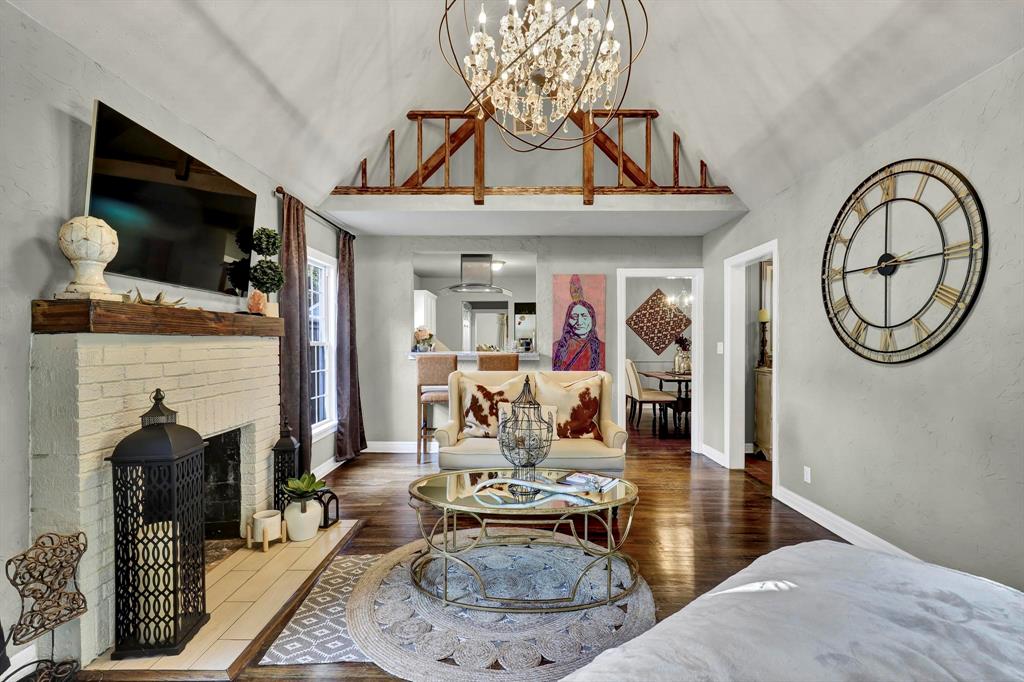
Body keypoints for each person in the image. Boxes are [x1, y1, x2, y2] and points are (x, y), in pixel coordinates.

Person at [552, 275, 605, 370]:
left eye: (584, 316)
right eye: (575, 316)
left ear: (592, 320)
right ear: (568, 321)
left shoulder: (602, 348)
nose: (579, 322)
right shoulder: (556, 347)